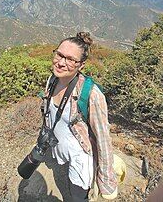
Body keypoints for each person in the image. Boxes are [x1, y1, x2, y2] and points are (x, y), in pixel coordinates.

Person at [43, 32, 117, 201]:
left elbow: (104, 140)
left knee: (77, 197)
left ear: (81, 65)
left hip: (81, 158)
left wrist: (106, 182)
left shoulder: (91, 95)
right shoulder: (53, 79)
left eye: (71, 59)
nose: (61, 63)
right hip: (62, 149)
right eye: (59, 54)